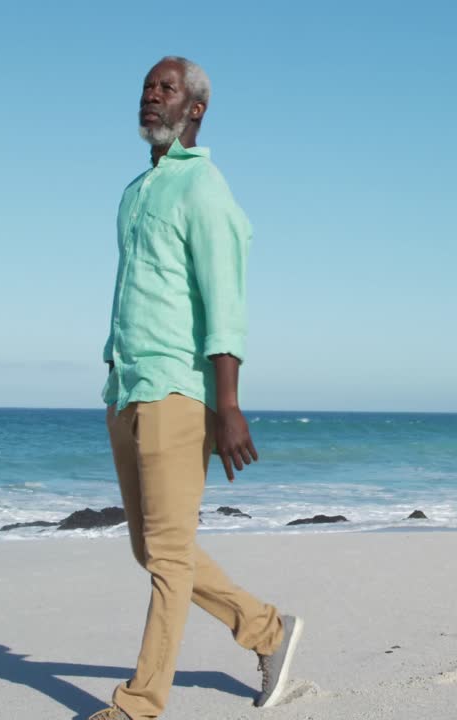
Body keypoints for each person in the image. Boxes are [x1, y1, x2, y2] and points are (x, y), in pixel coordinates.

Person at [90, 56, 302, 720]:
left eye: (167, 89)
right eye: (148, 88)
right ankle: (267, 630)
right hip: (128, 389)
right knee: (151, 549)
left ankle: (139, 704)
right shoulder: (134, 192)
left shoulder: (205, 190)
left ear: (195, 109)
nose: (152, 97)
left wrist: (228, 404)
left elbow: (225, 304)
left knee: (168, 557)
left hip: (180, 394)